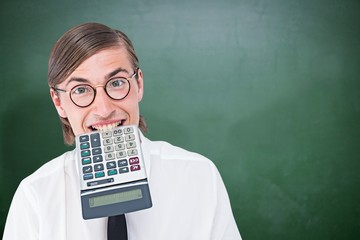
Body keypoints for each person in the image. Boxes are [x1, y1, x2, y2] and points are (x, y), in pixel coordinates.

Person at [3, 22, 241, 240]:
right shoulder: (34, 196)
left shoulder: (199, 176)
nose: (104, 109)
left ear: (138, 84)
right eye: (81, 90)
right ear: (58, 102)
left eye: (116, 83)